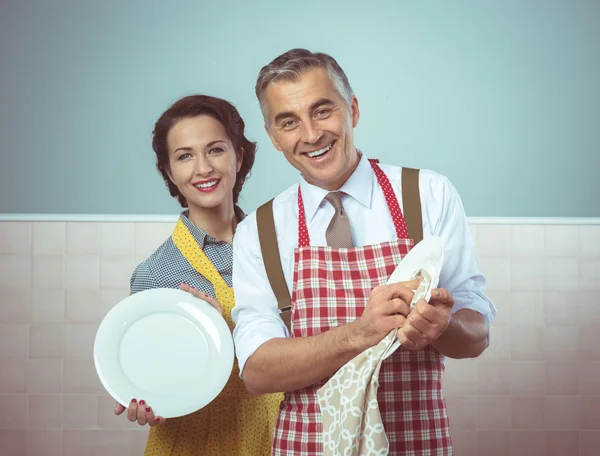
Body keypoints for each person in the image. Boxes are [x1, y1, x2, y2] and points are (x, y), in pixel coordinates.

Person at [231, 49, 497, 455]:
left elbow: (477, 335)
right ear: (273, 136)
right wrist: (360, 333)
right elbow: (257, 372)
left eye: (323, 111)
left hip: (415, 442)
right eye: (289, 122)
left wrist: (445, 328)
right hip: (309, 445)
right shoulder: (259, 231)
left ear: (352, 109)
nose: (311, 134)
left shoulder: (428, 195)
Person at [113, 94, 283, 455]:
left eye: (216, 150)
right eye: (185, 156)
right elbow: (146, 369)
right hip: (195, 442)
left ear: (239, 156)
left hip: (279, 433)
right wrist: (145, 399)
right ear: (170, 172)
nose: (203, 168)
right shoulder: (154, 274)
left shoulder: (280, 246)